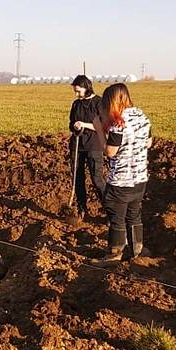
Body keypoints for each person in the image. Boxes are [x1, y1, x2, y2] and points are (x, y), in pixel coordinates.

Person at [92, 83, 152, 263]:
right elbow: (148, 142)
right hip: (140, 179)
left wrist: (99, 131)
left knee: (116, 217)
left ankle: (114, 253)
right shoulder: (142, 116)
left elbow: (110, 152)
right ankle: (137, 250)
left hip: (121, 181)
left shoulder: (119, 123)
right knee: (134, 214)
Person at [68, 75, 105, 217]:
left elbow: (102, 126)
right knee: (78, 178)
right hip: (77, 144)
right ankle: (82, 208)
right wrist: (75, 126)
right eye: (75, 92)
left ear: (86, 88)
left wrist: (84, 124)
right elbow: (71, 123)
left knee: (97, 179)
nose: (77, 94)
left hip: (94, 145)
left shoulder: (99, 103)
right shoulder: (76, 104)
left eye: (78, 91)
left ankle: (109, 209)